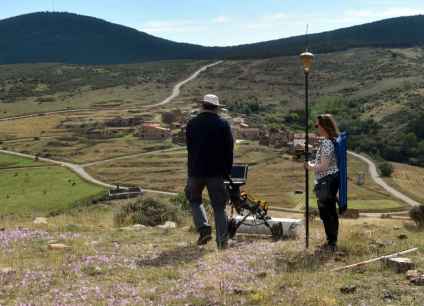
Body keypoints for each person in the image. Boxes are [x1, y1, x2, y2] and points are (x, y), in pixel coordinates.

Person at [185, 94, 234, 249]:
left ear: (203, 105)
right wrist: (227, 170)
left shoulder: (192, 123)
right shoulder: (223, 124)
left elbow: (190, 148)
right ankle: (222, 243)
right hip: (216, 173)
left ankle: (203, 228)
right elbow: (229, 150)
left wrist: (192, 168)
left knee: (194, 200)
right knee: (219, 207)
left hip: (195, 171)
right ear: (216, 107)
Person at [305, 114, 340, 252]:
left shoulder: (326, 143)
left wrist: (310, 166)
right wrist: (313, 163)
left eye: (317, 125)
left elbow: (324, 166)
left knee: (327, 213)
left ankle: (331, 243)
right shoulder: (332, 141)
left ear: (324, 126)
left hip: (326, 181)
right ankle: (331, 242)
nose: (316, 128)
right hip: (330, 180)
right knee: (330, 212)